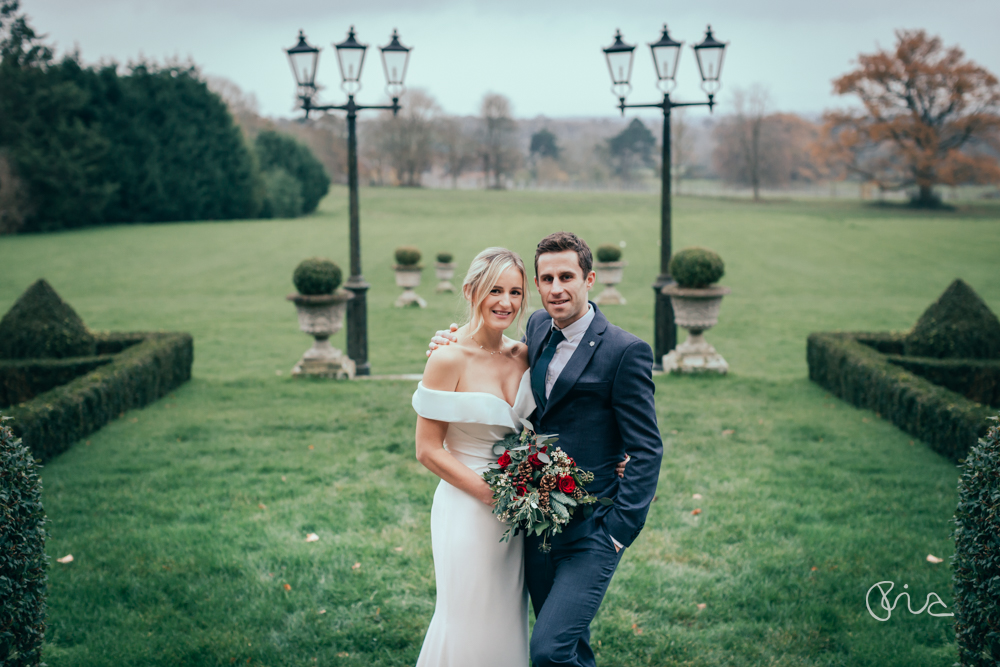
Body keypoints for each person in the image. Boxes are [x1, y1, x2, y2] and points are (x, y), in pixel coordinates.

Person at [426, 232, 662, 667]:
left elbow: (647, 450)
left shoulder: (625, 351)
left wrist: (617, 533)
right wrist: (450, 339)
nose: (557, 289)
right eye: (546, 279)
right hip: (534, 527)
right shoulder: (536, 330)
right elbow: (487, 357)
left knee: (549, 650)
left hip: (592, 530)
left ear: (589, 279)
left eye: (567, 276)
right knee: (569, 645)